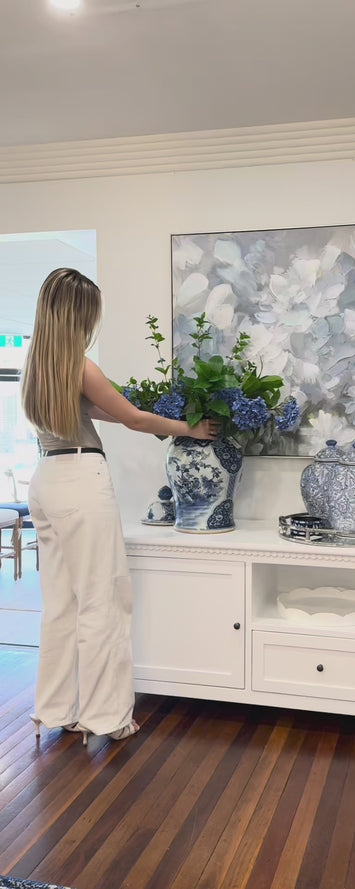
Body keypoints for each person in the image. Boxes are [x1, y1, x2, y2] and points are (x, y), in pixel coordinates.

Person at [21, 268, 218, 745]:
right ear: (79, 314)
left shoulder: (38, 367)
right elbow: (132, 419)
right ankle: (108, 717)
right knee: (103, 601)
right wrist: (189, 429)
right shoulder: (80, 365)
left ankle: (56, 709)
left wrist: (141, 414)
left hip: (45, 481)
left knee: (61, 604)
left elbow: (95, 410)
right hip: (81, 483)